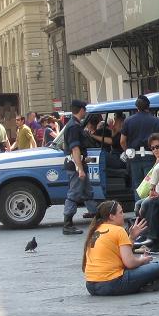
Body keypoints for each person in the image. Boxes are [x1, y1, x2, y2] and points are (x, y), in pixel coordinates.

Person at [82, 200, 159, 296]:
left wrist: (132, 238)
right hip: (111, 284)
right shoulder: (118, 230)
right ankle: (143, 285)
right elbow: (130, 263)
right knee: (157, 267)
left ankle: (142, 285)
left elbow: (121, 256)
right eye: (120, 212)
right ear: (111, 216)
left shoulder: (95, 230)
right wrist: (143, 260)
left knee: (142, 269)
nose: (123, 215)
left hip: (91, 286)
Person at [62, 100, 99, 235]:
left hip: (78, 164)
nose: (86, 112)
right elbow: (75, 149)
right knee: (74, 194)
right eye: (85, 109)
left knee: (87, 192)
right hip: (76, 166)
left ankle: (98, 219)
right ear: (81, 110)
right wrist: (80, 169)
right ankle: (67, 224)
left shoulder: (74, 124)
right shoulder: (74, 126)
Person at [121, 95, 159, 196]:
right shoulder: (157, 121)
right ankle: (149, 204)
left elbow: (122, 141)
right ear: (148, 106)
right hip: (152, 156)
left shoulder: (128, 121)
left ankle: (138, 205)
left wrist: (128, 152)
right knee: (151, 184)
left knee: (138, 187)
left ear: (136, 107)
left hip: (134, 157)